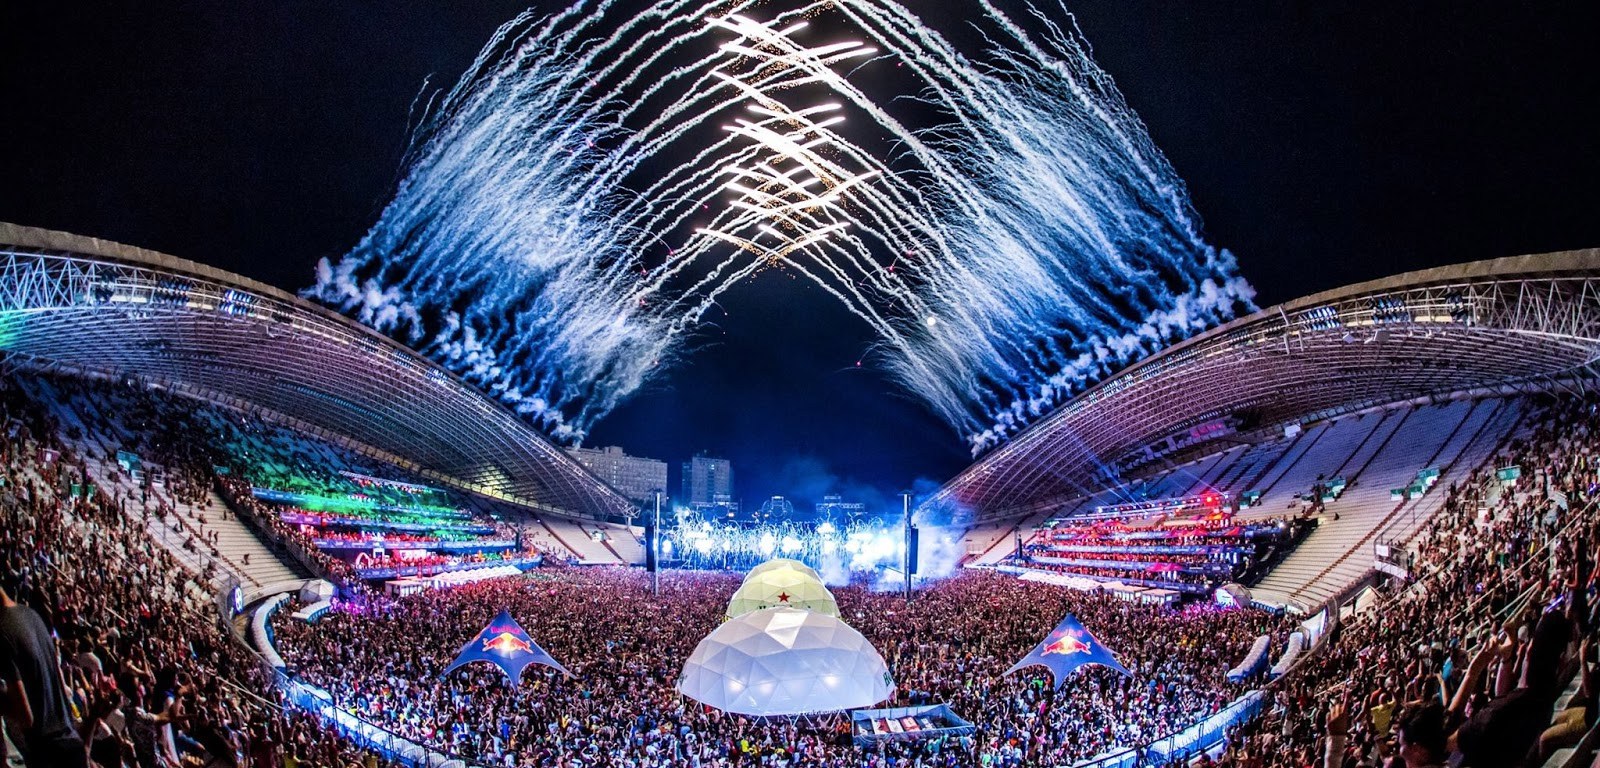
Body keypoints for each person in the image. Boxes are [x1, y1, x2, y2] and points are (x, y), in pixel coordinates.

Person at [0, 580, 87, 768]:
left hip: (49, 754)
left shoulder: (3, 632)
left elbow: (26, 716)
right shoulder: (32, 616)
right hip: (72, 743)